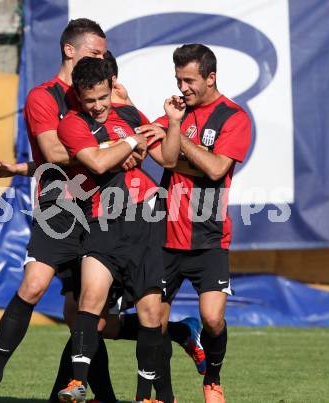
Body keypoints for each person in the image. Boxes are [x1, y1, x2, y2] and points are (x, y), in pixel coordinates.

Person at [0, 18, 118, 403]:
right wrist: (105, 152)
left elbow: (131, 140)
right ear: (70, 50)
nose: (103, 59)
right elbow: (51, 154)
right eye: (95, 52)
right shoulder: (44, 97)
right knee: (33, 286)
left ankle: (89, 393)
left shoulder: (104, 93)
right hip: (60, 208)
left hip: (103, 207)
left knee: (88, 316)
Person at [55, 56, 182, 403]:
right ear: (78, 97)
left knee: (151, 314)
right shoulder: (71, 124)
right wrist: (128, 144)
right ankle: (76, 384)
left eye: (102, 97)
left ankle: (146, 397)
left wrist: (171, 125)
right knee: (90, 299)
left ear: (113, 87)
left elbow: (168, 160)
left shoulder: (128, 114)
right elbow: (96, 162)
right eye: (88, 100)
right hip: (102, 220)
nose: (96, 106)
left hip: (145, 220)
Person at [153, 44, 251, 403]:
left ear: (211, 78)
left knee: (212, 319)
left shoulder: (233, 117)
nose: (183, 88)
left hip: (209, 236)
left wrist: (179, 139)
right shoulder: (176, 112)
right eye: (179, 80)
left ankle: (212, 378)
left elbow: (215, 168)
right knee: (154, 323)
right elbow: (154, 148)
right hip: (165, 233)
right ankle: (164, 395)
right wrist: (171, 136)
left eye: (190, 80)